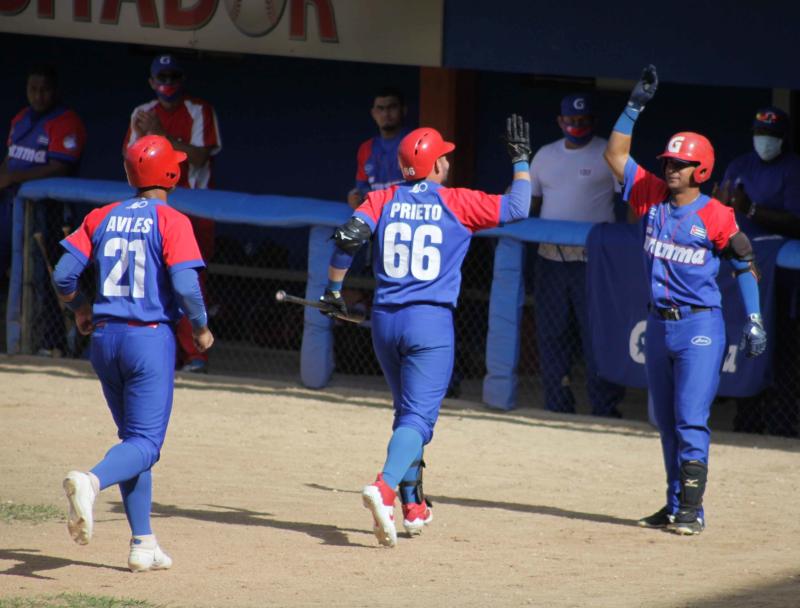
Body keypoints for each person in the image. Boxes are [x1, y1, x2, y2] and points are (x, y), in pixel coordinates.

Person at [321, 116, 533, 547]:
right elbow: (518, 208)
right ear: (434, 165)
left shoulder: (382, 197)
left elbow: (347, 238)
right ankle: (382, 488)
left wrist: (334, 290)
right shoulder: (457, 200)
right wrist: (521, 161)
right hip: (429, 322)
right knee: (418, 418)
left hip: (385, 320)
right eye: (444, 158)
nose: (448, 163)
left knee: (407, 415)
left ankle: (413, 506)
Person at [603, 65, 767, 535]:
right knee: (666, 422)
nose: (670, 169)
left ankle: (693, 512)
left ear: (702, 170)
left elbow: (744, 262)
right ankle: (675, 503)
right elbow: (615, 154)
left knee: (691, 419)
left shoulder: (715, 214)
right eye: (669, 162)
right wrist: (633, 107)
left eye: (680, 164)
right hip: (660, 324)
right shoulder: (651, 195)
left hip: (699, 326)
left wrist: (754, 318)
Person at [55, 135, 214, 571]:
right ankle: (91, 481)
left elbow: (64, 274)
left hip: (105, 339)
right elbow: (185, 286)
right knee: (146, 444)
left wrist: (82, 310)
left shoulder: (101, 215)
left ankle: (143, 543)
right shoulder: (173, 219)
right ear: (171, 173)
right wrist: (200, 328)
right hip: (147, 339)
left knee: (133, 442)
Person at [123, 53, 221, 373]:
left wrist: (160, 133)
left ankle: (195, 354)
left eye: (173, 77)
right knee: (153, 278)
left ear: (182, 80)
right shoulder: (140, 112)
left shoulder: (199, 110)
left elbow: (198, 158)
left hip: (193, 208)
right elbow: (133, 161)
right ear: (151, 82)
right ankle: (166, 352)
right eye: (161, 78)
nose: (167, 84)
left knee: (190, 281)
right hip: (153, 205)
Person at [530, 93, 625, 417]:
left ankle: (605, 408)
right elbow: (530, 203)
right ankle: (557, 405)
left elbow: (631, 200)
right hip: (551, 260)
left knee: (596, 334)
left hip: (594, 261)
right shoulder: (544, 155)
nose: (576, 126)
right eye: (571, 121)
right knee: (552, 333)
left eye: (583, 121)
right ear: (560, 121)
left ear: (593, 122)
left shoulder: (608, 153)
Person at [713, 106, 800, 436]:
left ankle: (781, 424)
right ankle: (746, 419)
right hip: (744, 274)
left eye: (772, 136)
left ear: (783, 138)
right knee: (747, 344)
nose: (765, 141)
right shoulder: (739, 165)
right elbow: (723, 209)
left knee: (783, 351)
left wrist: (750, 208)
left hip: (782, 277)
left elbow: (797, 221)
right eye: (761, 134)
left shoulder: (792, 168)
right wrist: (720, 207)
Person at [0, 65, 86, 351]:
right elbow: (10, 161)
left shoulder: (65, 121)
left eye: (44, 89)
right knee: (15, 275)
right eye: (33, 89)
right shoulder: (21, 119)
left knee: (51, 279)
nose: (38, 95)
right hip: (13, 209)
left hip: (49, 214)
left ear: (55, 90)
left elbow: (61, 165)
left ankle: (52, 343)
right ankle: (16, 339)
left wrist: (12, 178)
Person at [347, 87, 408, 209]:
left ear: (403, 110)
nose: (386, 114)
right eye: (380, 109)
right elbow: (362, 187)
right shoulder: (366, 148)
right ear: (373, 113)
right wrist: (355, 196)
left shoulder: (413, 142)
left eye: (392, 107)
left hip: (405, 212)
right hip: (377, 214)